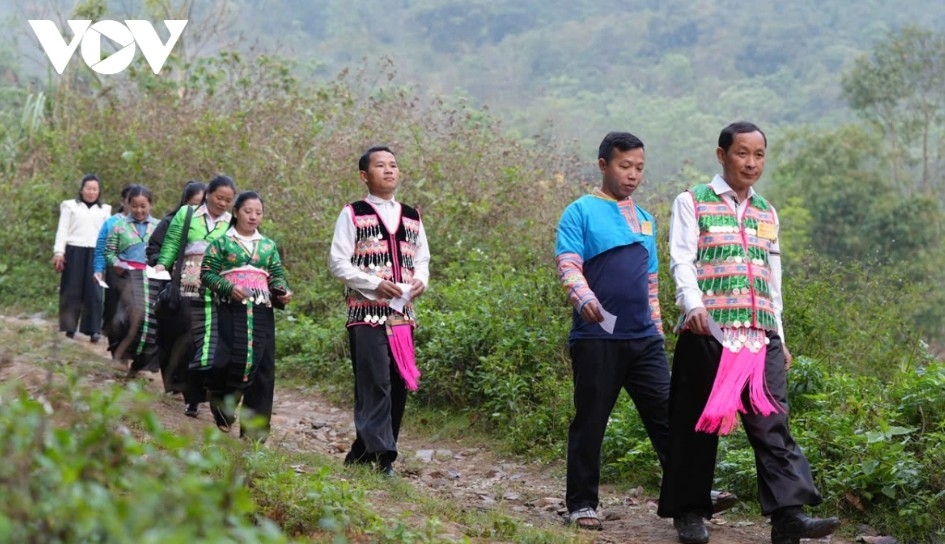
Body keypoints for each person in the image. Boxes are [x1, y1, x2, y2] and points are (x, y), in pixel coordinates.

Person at [657, 122, 839, 544]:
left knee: (772, 422)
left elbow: (771, 278)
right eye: (743, 153)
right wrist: (693, 304)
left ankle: (788, 517)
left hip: (760, 336)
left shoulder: (766, 212)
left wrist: (779, 333)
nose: (751, 163)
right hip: (709, 330)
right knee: (696, 424)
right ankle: (689, 513)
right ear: (722, 155)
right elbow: (681, 259)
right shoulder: (692, 201)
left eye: (759, 155)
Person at [554, 131, 671, 531]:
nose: (633, 174)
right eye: (625, 166)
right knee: (591, 420)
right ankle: (582, 503)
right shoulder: (579, 211)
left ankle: (688, 494)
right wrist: (583, 299)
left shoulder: (646, 219)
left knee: (668, 416)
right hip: (596, 337)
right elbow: (568, 265)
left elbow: (651, 282)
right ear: (603, 164)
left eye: (639, 167)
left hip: (644, 340)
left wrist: (656, 329)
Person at [329, 145, 430, 476]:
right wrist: (373, 283)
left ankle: (362, 453)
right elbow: (338, 262)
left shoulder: (412, 216)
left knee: (399, 384)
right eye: (380, 165)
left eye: (394, 165)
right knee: (375, 383)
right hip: (365, 313)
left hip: (402, 316)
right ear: (364, 175)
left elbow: (422, 259)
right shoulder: (353, 213)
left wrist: (419, 281)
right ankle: (384, 457)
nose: (389, 170)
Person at [201, 191, 292, 441]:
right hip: (232, 309)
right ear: (236, 212)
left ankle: (255, 434)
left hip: (262, 309)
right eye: (248, 211)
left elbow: (276, 275)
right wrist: (230, 289)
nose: (253, 217)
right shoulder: (221, 243)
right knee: (230, 359)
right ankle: (222, 405)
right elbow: (207, 274)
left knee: (263, 368)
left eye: (258, 212)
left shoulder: (268, 246)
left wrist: (282, 292)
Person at [155, 175, 237, 418]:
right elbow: (171, 242)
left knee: (211, 341)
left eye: (229, 200)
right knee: (190, 340)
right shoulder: (187, 215)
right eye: (219, 198)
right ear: (208, 194)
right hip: (188, 285)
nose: (223, 204)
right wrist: (162, 264)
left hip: (218, 287)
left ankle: (209, 389)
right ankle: (192, 398)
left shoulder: (232, 222)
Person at [147, 181, 206, 394]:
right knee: (172, 335)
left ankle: (193, 387)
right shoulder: (171, 221)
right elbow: (154, 249)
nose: (197, 209)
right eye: (193, 204)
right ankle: (173, 382)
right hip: (171, 287)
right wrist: (167, 264)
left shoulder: (212, 226)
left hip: (199, 288)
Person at [103, 185, 159, 373]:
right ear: (128, 205)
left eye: (143, 206)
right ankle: (121, 354)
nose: (139, 210)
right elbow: (109, 251)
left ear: (150, 205)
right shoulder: (119, 226)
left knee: (151, 321)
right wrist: (116, 264)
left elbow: (167, 251)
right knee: (125, 317)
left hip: (151, 279)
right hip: (126, 278)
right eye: (134, 206)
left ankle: (140, 364)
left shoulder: (158, 227)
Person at [52, 174, 111, 342]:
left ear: (99, 191)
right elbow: (62, 229)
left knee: (95, 292)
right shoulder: (70, 206)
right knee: (72, 289)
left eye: (95, 189)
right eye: (88, 188)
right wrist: (59, 252)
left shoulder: (105, 210)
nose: (91, 192)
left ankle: (93, 329)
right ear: (82, 189)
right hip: (74, 250)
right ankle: (69, 327)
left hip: (96, 252)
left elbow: (107, 235)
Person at [94, 184, 139, 354]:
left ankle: (130, 351)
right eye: (131, 202)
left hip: (138, 274)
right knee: (114, 311)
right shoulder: (112, 223)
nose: (135, 207)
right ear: (124, 202)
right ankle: (117, 351)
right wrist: (98, 270)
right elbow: (101, 249)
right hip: (116, 273)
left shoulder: (149, 225)